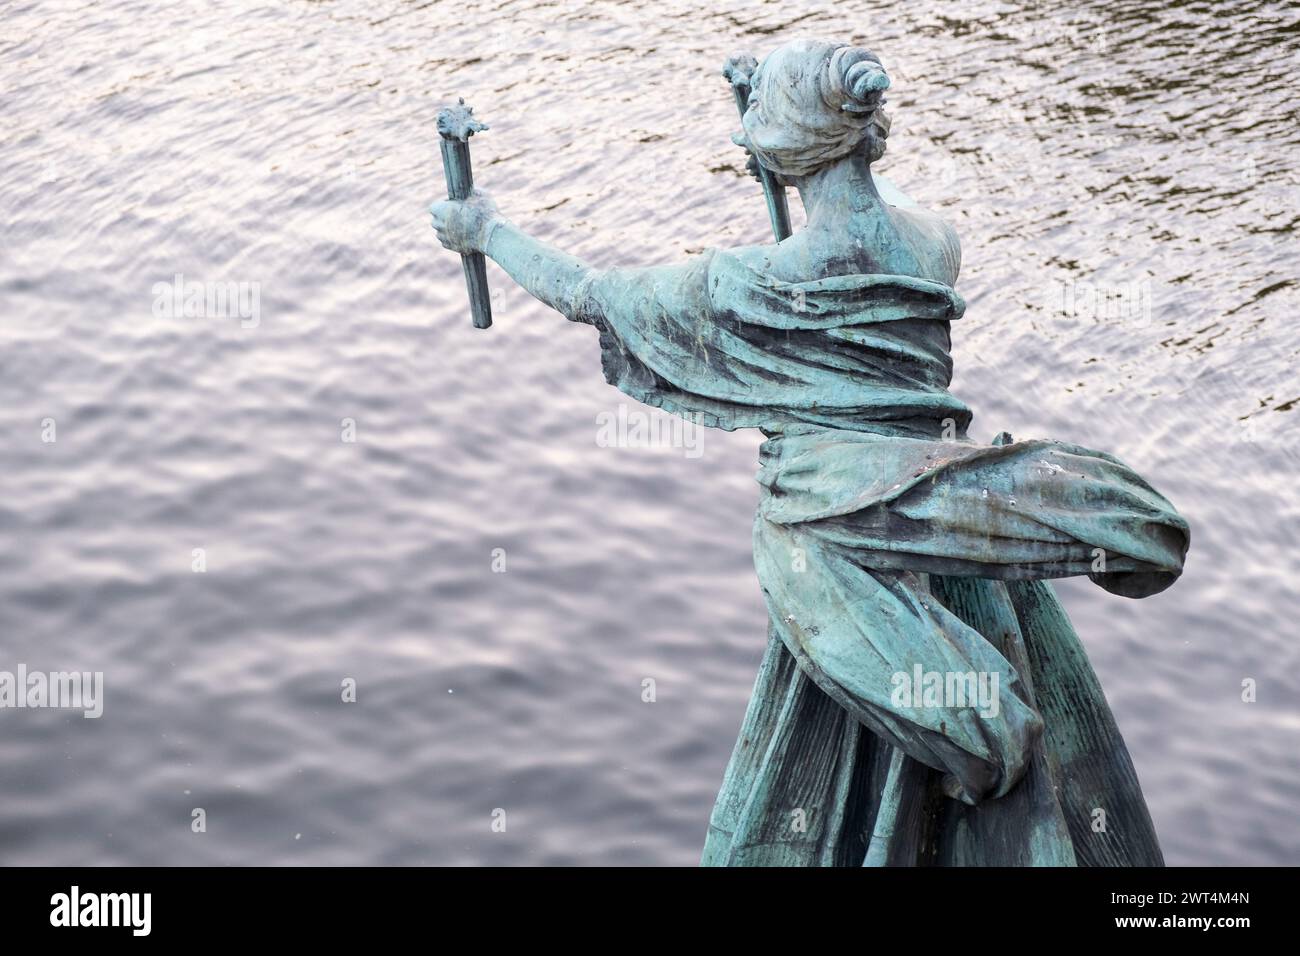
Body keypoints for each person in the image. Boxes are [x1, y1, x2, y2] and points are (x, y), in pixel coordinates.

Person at [430, 38, 1189, 866]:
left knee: (836, 776)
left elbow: (587, 293)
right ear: (866, 130)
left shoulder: (751, 282)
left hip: (840, 551)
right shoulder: (936, 242)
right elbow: (871, 197)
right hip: (948, 535)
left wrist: (485, 228)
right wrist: (787, 109)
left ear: (780, 152)